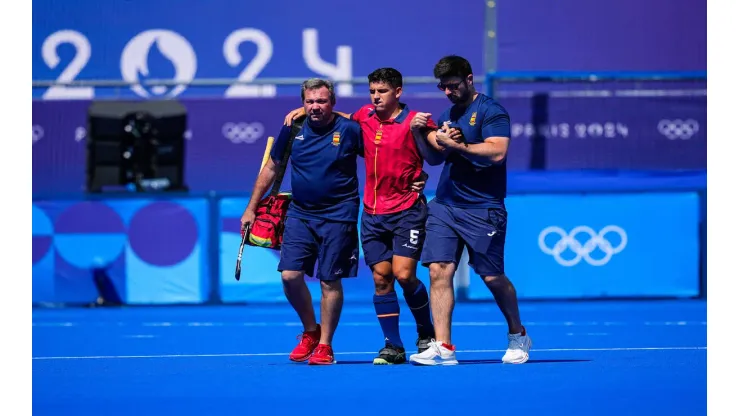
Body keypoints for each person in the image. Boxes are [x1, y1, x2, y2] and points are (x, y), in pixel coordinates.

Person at [284, 68, 439, 365]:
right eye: (372, 91)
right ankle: (393, 346)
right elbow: (334, 116)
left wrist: (423, 162)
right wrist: (302, 110)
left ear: (398, 92)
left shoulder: (416, 119)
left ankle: (425, 330)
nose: (376, 97)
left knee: (404, 275)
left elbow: (435, 157)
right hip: (372, 212)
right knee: (381, 279)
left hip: (407, 208)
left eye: (382, 91)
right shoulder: (363, 117)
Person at [407, 55, 532, 366]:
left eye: (453, 86)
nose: (448, 92)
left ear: (469, 79)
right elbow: (435, 159)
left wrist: (459, 146)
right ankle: (444, 346)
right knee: (439, 270)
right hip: (446, 205)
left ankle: (518, 334)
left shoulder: (491, 111)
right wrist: (419, 135)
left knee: (491, 277)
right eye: (443, 87)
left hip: (483, 208)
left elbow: (497, 152)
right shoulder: (448, 113)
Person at [240, 78, 363, 365]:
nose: (315, 106)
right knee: (290, 275)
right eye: (310, 101)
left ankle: (325, 345)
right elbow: (271, 167)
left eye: (321, 101)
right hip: (300, 213)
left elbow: (380, 151)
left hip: (339, 214)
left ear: (332, 102)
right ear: (302, 102)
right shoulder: (292, 128)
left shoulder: (349, 129)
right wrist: (251, 208)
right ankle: (310, 330)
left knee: (329, 280)